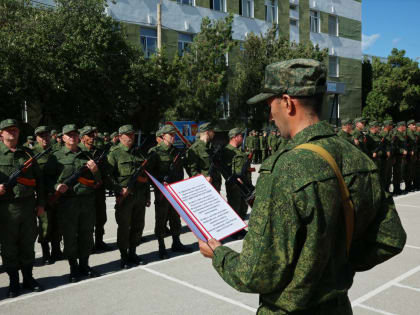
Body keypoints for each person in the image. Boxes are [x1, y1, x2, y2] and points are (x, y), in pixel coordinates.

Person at [198, 59, 406, 314]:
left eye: (269, 104)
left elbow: (254, 274)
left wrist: (218, 254)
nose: (270, 114)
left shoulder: (284, 168)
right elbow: (390, 237)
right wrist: (335, 267)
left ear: (287, 102)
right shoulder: (356, 157)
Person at [45, 124, 101, 282]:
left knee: (87, 235)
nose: (72, 137)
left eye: (75, 134)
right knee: (69, 236)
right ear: (63, 138)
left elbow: (98, 181)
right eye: (69, 135)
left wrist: (95, 170)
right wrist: (56, 186)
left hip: (87, 202)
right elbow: (46, 179)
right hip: (67, 203)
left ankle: (84, 265)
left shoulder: (87, 155)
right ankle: (73, 268)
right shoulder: (56, 156)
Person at [0, 119, 45, 297]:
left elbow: (39, 180)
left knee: (27, 244)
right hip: (6, 209)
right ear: (1, 133)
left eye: (15, 130)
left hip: (28, 206)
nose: (12, 133)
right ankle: (13, 282)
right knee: (9, 247)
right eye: (8, 130)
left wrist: (41, 203)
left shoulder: (27, 153)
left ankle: (28, 278)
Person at [107, 124, 151, 269]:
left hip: (139, 197)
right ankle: (123, 256)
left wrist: (147, 196)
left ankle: (133, 252)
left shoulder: (138, 153)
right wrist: (119, 190)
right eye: (128, 135)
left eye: (132, 134)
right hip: (125, 198)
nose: (131, 137)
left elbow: (145, 176)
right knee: (124, 227)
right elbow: (107, 177)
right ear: (120, 137)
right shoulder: (115, 153)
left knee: (138, 226)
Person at [149, 125, 191, 259]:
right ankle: (161, 246)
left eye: (174, 135)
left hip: (175, 190)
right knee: (161, 218)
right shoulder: (154, 152)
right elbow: (149, 173)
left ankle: (176, 242)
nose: (173, 137)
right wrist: (159, 183)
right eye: (170, 135)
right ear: (163, 136)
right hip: (162, 191)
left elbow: (181, 171)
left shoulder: (176, 151)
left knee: (175, 217)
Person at [32, 125, 62, 265]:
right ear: (36, 138)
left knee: (57, 223)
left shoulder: (57, 151)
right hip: (42, 195)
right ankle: (46, 252)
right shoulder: (32, 154)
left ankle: (57, 250)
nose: (44, 138)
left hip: (57, 194)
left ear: (50, 136)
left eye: (46, 135)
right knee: (45, 224)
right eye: (41, 136)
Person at [79, 126, 112, 252]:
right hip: (84, 191)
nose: (92, 138)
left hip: (98, 190)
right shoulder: (79, 151)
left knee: (101, 217)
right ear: (82, 138)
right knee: (87, 220)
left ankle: (99, 242)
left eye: (93, 135)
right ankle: (88, 244)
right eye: (89, 135)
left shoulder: (99, 152)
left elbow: (105, 170)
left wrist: (101, 180)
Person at [222, 127, 250, 238]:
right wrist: (233, 178)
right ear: (235, 137)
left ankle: (240, 228)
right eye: (240, 136)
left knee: (243, 206)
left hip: (244, 183)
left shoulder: (239, 150)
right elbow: (225, 168)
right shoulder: (227, 151)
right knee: (235, 207)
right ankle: (234, 231)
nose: (242, 138)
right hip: (234, 184)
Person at [185, 122, 222, 192]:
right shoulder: (194, 149)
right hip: (203, 187)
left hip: (216, 185)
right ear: (207, 132)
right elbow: (192, 172)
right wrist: (204, 178)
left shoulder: (211, 147)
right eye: (212, 131)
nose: (214, 133)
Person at [392, 121, 408, 195]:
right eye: (404, 126)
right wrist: (402, 151)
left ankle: (398, 188)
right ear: (401, 126)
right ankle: (396, 189)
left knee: (400, 173)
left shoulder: (402, 134)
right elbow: (395, 147)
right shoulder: (396, 135)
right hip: (397, 156)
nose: (405, 127)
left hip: (402, 157)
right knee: (396, 173)